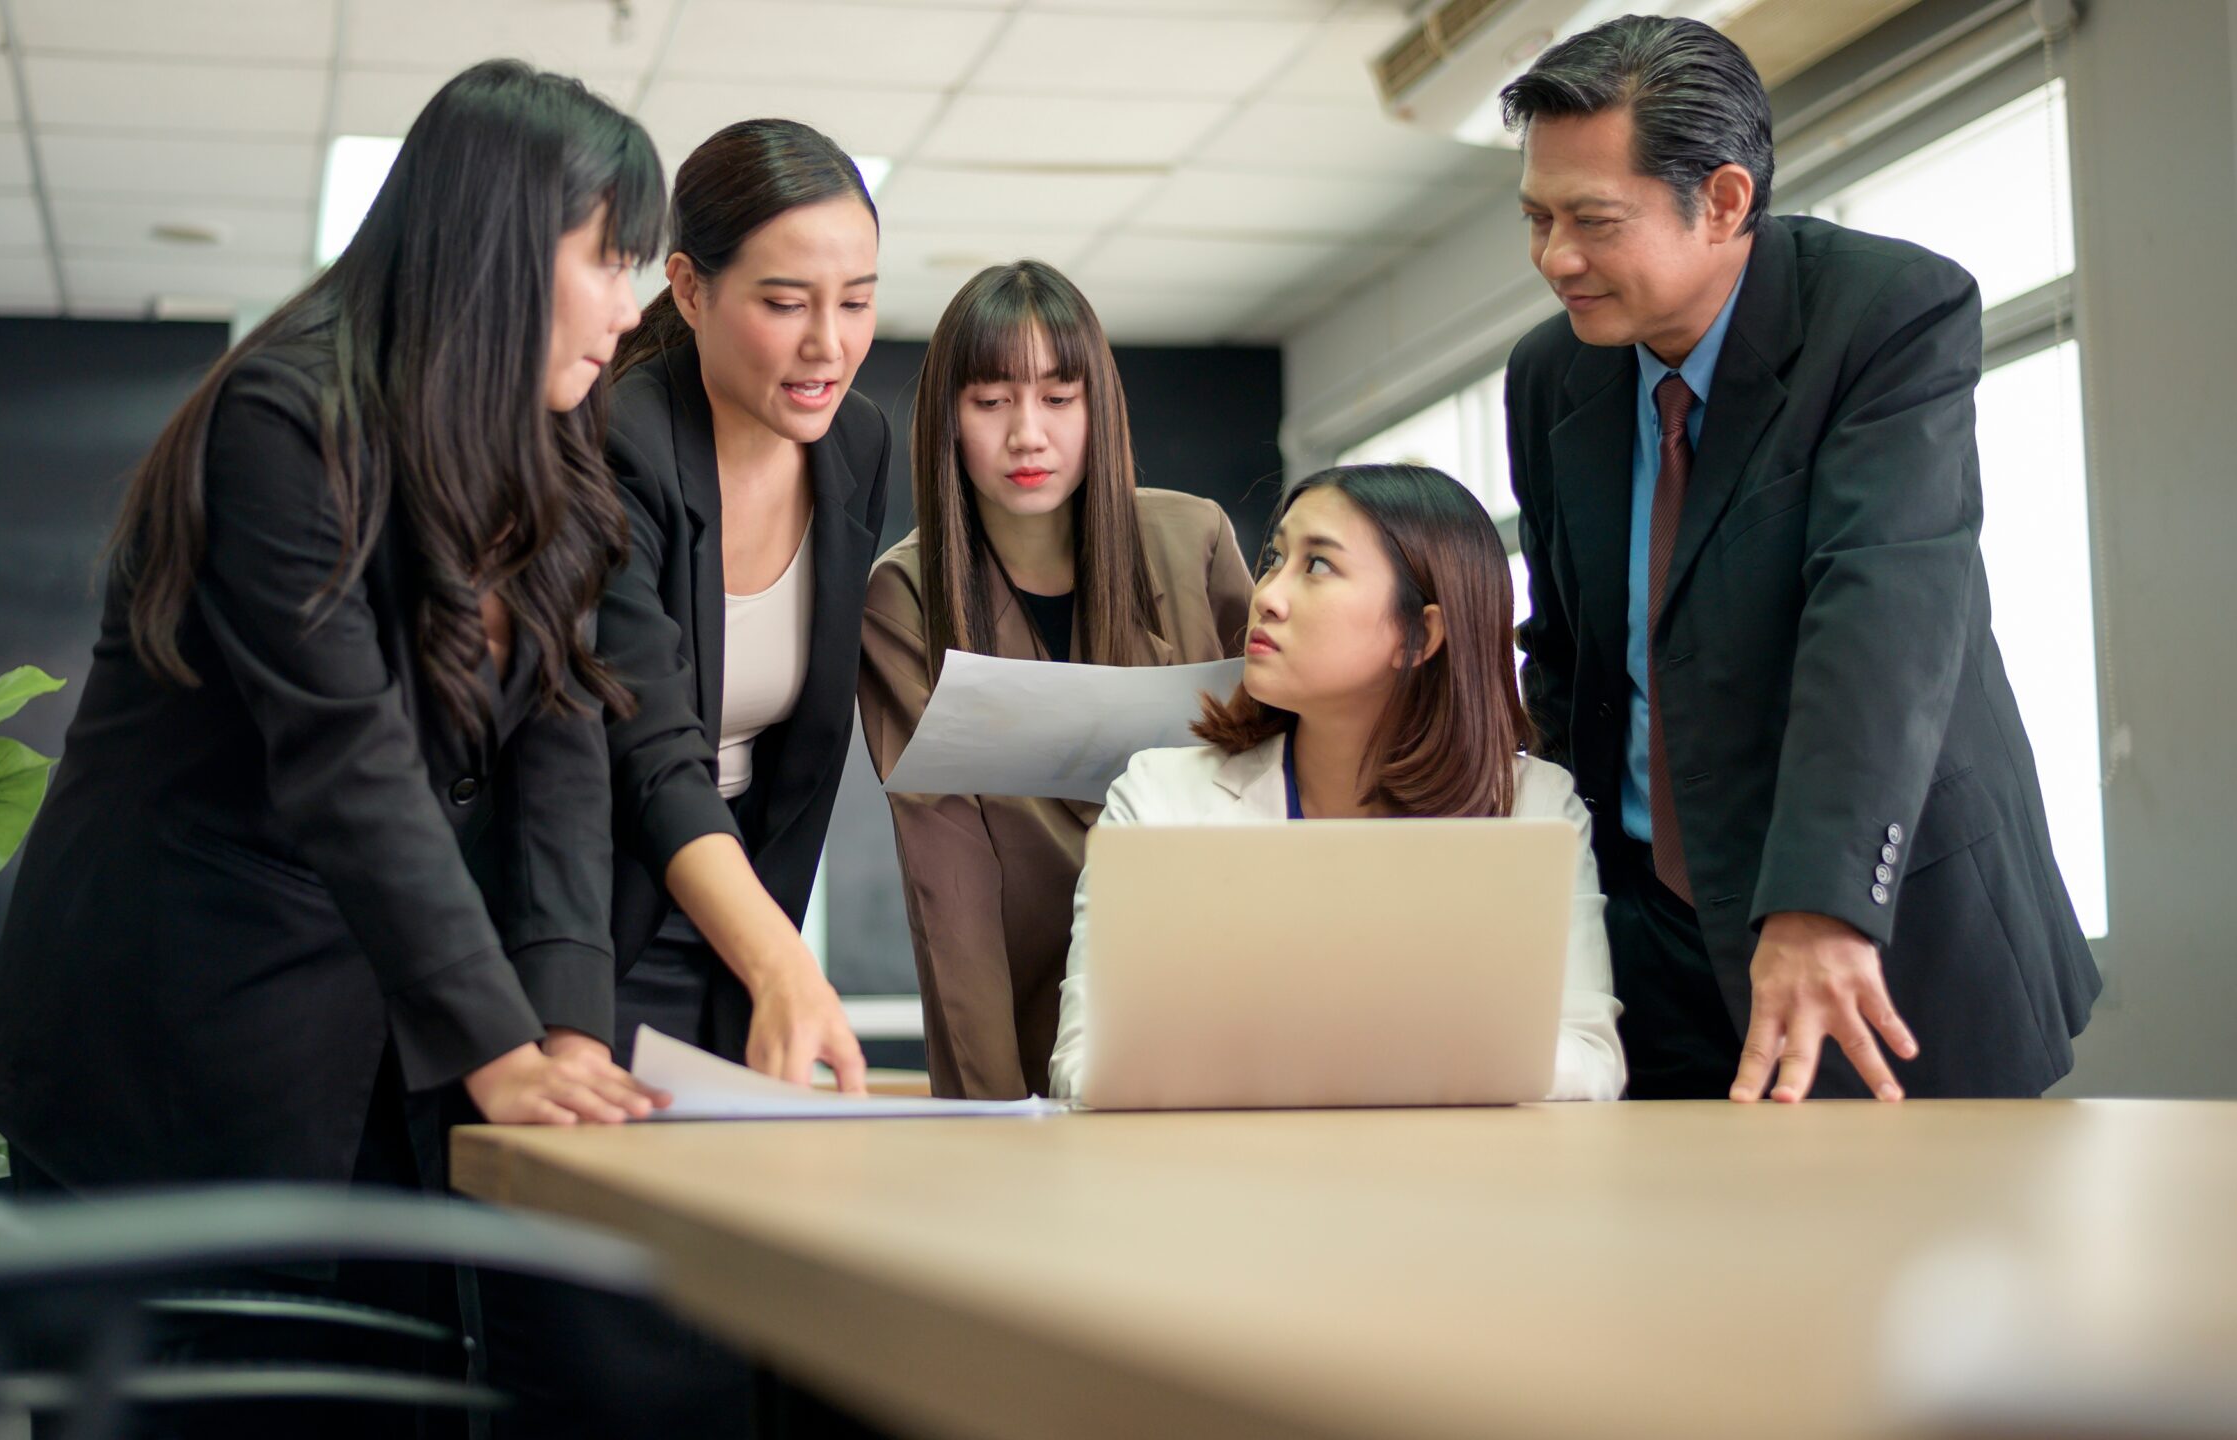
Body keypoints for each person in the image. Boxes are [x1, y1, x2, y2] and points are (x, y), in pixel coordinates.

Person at [0, 62, 669, 1435]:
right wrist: (497, 1046)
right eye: (610, 259)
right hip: (176, 1058)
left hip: (363, 1053)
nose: (631, 306)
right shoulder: (285, 422)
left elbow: (563, 755)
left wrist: (565, 1030)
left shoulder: (542, 455)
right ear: (503, 247)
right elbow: (352, 764)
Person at [1499, 16, 2100, 1103]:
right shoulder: (1551, 375)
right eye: (1538, 219)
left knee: (1925, 1214)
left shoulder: (1883, 314)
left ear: (1724, 201)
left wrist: (1820, 904)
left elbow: (1881, 611)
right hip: (1652, 940)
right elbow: (1564, 653)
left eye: (1593, 221)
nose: (1556, 259)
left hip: (1875, 925)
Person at [481, 118, 890, 1440]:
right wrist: (785, 968)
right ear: (691, 289)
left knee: (744, 1331)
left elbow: (798, 751)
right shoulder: (612, 438)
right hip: (588, 925)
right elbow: (645, 742)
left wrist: (765, 962)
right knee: (605, 1355)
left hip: (738, 925)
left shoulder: (859, 446)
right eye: (784, 302)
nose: (827, 344)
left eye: (857, 301)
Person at [1047, 464, 1627, 1105]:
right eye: (1276, 558)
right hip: (1227, 1163)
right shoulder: (1159, 799)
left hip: (1449, 1164)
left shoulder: (1533, 809)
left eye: (1318, 566)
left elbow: (1589, 1060)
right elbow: (1084, 1062)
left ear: (1421, 635)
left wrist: (1296, 1053)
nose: (1268, 595)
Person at [860, 260, 1252, 1099]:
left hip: (1226, 992)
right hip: (1029, 1019)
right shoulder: (906, 596)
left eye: (1059, 398)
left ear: (1097, 406)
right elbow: (949, 878)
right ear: (948, 418)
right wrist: (993, 1112)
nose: (1027, 434)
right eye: (991, 401)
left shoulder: (1195, 542)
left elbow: (1273, 769)